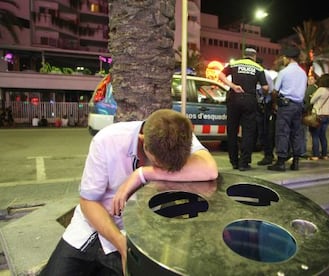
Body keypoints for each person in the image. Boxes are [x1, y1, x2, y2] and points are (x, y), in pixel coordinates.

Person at [40, 109, 218, 276]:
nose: (161, 172)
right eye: (157, 166)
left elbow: (210, 169)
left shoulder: (180, 135)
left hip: (141, 232)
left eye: (168, 170)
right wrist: (121, 244)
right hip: (95, 224)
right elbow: (88, 201)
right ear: (143, 142)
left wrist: (142, 174)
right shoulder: (108, 140)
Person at [219, 47, 269, 171]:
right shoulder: (258, 68)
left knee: (232, 131)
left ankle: (234, 161)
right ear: (254, 56)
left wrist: (233, 86)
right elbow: (266, 87)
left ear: (244, 55)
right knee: (248, 132)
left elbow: (221, 75)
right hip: (249, 100)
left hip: (234, 99)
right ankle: (244, 163)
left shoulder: (235, 63)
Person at [267, 46, 307, 172]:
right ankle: (295, 162)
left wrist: (274, 103)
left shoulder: (284, 72)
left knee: (282, 132)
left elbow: (275, 90)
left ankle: (281, 162)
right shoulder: (303, 73)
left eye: (284, 58)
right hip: (298, 105)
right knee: (296, 133)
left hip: (286, 106)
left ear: (288, 58)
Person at [308, 74, 329, 160]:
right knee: (323, 135)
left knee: (315, 135)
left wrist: (312, 96)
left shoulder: (320, 90)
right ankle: (324, 154)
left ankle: (315, 155)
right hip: (327, 116)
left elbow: (312, 101)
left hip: (318, 115)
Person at [256, 58, 277, 166]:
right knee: (260, 132)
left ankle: (268, 155)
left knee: (266, 132)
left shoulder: (266, 75)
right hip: (258, 106)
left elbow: (272, 91)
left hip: (265, 107)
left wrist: (272, 106)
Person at [301, 74, 318, 158]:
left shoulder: (310, 89)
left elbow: (308, 102)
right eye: (309, 79)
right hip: (313, 113)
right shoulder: (315, 89)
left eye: (312, 79)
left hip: (308, 113)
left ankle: (303, 151)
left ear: (315, 80)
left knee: (305, 134)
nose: (310, 80)